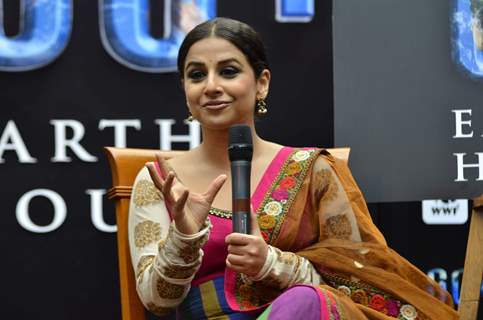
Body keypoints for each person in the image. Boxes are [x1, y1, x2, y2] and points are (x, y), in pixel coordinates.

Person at [128, 17, 458, 319]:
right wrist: (185, 237)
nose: (211, 86)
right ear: (185, 91)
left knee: (306, 301)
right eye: (197, 74)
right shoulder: (160, 180)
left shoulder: (313, 171)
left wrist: (270, 263)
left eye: (228, 71)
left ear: (262, 84)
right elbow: (157, 300)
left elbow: (360, 279)